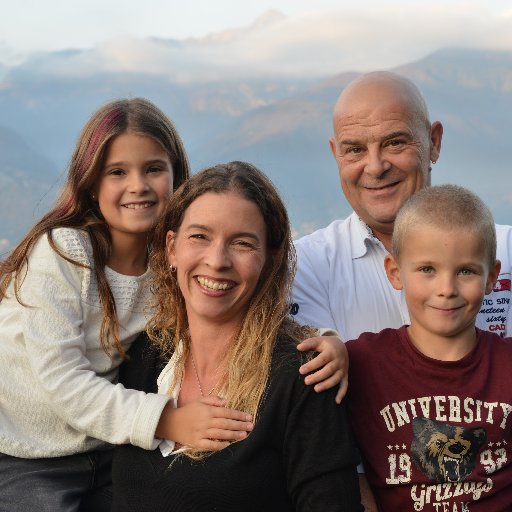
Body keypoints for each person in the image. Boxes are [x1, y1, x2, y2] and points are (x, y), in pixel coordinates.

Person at [0, 98, 254, 512]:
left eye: (153, 169)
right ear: (92, 184)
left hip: (106, 442)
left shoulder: (170, 263)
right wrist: (168, 420)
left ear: (176, 177)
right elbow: (62, 380)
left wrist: (324, 339)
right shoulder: (65, 252)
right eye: (117, 172)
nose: (138, 185)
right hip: (28, 451)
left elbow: (243, 299)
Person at [111, 161, 363, 511]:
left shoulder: (303, 376)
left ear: (269, 260)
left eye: (242, 244)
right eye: (199, 236)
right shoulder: (141, 357)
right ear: (172, 248)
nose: (217, 261)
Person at [292, 71, 512, 342]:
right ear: (335, 154)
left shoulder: (507, 249)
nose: (375, 167)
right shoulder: (305, 268)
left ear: (434, 142)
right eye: (355, 150)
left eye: (395, 143)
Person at [346, 184, 512, 510]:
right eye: (427, 270)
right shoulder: (360, 363)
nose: (446, 289)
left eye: (465, 271)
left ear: (491, 277)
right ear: (395, 272)